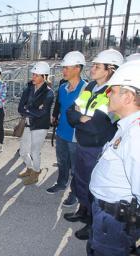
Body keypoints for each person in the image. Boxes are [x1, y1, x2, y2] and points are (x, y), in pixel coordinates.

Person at [65, 49, 122, 240]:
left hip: (97, 147)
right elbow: (71, 112)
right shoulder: (90, 87)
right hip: (83, 142)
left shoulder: (113, 92)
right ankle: (83, 210)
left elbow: (98, 125)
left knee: (94, 185)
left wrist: (81, 120)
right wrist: (80, 118)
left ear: (109, 70)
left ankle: (92, 222)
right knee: (81, 180)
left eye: (97, 66)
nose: (93, 68)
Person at [88, 60, 140, 256]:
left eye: (112, 91)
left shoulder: (136, 134)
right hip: (107, 215)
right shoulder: (127, 126)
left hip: (115, 220)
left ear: (127, 97)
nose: (107, 94)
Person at [46, 51, 87, 207]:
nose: (63, 71)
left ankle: (75, 193)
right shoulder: (62, 87)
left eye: (66, 68)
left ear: (77, 68)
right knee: (62, 161)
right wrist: (55, 116)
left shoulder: (86, 89)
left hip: (75, 136)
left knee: (76, 167)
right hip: (62, 132)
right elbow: (59, 105)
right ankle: (61, 183)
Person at [17, 62, 54, 185]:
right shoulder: (29, 88)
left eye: (36, 75)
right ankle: (30, 168)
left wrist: (28, 109)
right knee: (23, 151)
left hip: (40, 126)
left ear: (44, 76)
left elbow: (42, 113)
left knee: (35, 151)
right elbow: (20, 108)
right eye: (33, 74)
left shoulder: (49, 93)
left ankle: (36, 173)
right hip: (28, 123)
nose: (33, 77)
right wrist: (33, 109)